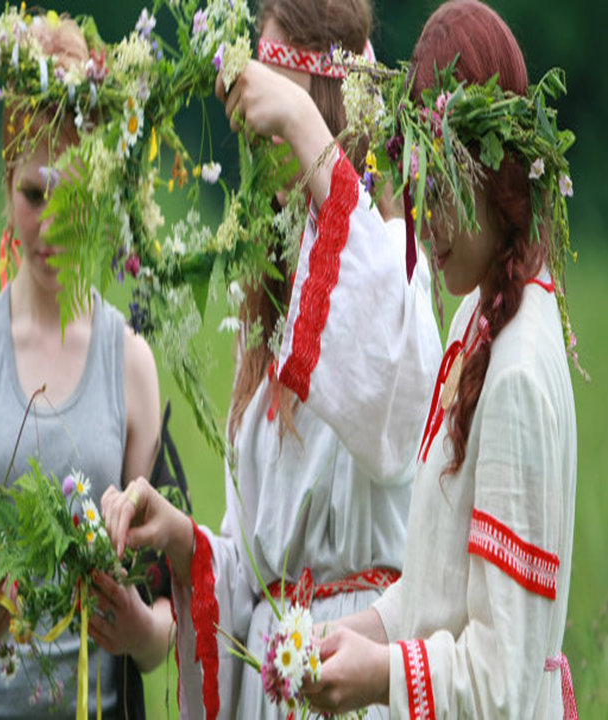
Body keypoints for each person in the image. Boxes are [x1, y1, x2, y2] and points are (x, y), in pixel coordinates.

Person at [101, 0, 442, 717]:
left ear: (317, 106)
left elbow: (396, 413)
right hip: (274, 681)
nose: (255, 139)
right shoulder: (268, 294)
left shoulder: (389, 254)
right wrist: (182, 540)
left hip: (355, 676)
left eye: (271, 117)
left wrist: (303, 126)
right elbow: (257, 571)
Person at [301, 2, 579, 718]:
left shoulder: (515, 368)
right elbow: (440, 582)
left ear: (497, 174)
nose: (421, 219)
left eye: (442, 187)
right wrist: (359, 633)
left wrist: (379, 676)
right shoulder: (476, 317)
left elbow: (500, 681)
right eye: (413, 183)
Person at [0, 13, 180, 719]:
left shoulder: (131, 365)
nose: (52, 224)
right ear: (6, 185)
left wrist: (138, 626)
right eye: (33, 194)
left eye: (74, 195)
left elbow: (165, 627)